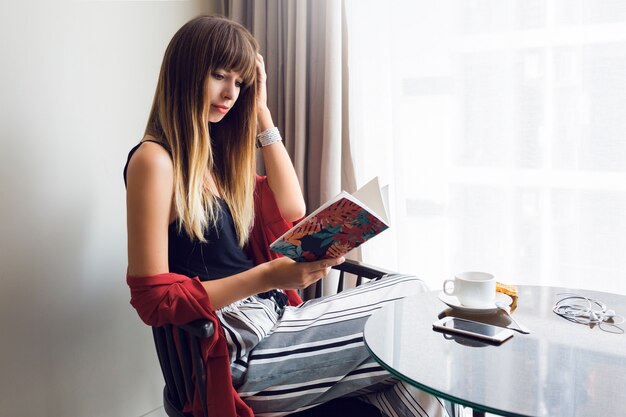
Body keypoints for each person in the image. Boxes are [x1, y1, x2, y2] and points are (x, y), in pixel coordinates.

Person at [125, 14, 448, 417]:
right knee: (412, 299)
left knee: (418, 384)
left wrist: (262, 112)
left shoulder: (217, 161)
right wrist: (269, 276)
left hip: (275, 319)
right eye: (220, 75)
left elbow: (292, 208)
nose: (230, 93)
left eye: (241, 83)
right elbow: (152, 299)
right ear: (185, 72)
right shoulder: (154, 161)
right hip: (232, 352)